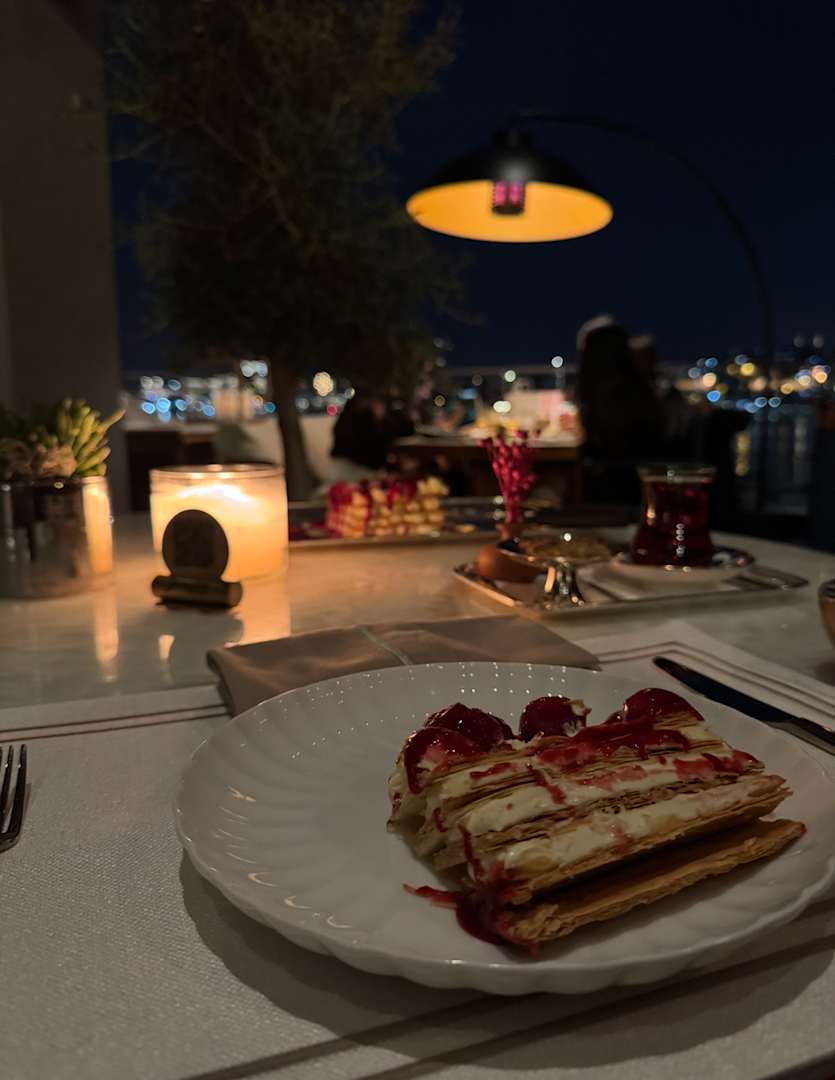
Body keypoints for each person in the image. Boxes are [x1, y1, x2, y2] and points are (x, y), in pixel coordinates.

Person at [576, 316, 665, 503]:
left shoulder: (610, 391)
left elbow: (610, 445)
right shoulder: (637, 387)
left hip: (620, 486)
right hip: (639, 479)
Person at [330, 391, 414, 476]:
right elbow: (370, 445)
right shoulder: (361, 419)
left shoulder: (375, 419)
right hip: (352, 464)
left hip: (356, 462)